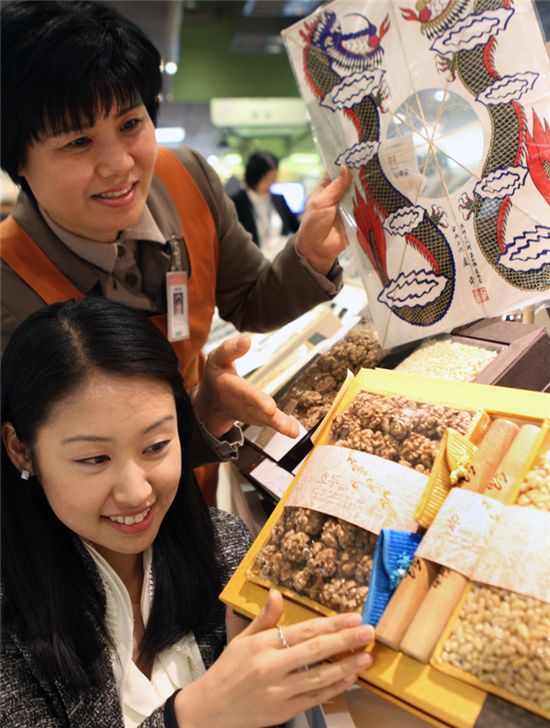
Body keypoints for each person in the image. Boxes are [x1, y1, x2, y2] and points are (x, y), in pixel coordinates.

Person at [1, 297, 375, 727]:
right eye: (94, 460)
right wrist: (195, 715)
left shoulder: (228, 549)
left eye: (156, 446)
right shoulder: (12, 628)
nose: (136, 492)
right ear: (20, 450)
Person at [0, 0, 351, 396]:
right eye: (78, 141)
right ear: (18, 160)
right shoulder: (9, 284)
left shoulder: (186, 177)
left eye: (131, 123)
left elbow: (250, 300)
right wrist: (203, 418)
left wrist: (311, 254)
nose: (118, 165)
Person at [231, 152, 301, 251]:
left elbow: (296, 227)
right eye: (267, 179)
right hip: (252, 261)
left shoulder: (279, 200)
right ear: (255, 177)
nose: (272, 182)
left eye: (273, 178)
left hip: (280, 259)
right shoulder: (237, 202)